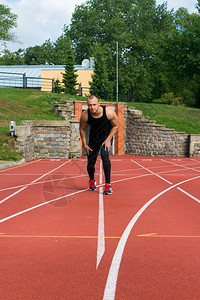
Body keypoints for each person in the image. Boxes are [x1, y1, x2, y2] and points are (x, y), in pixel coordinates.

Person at [79, 95, 120, 195]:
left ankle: (108, 185)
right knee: (90, 161)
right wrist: (84, 144)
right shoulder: (85, 115)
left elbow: (116, 125)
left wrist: (108, 139)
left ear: (98, 104)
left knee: (104, 156)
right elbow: (82, 129)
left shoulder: (108, 112)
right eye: (89, 105)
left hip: (106, 137)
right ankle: (92, 180)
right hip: (94, 138)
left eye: (94, 104)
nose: (92, 107)